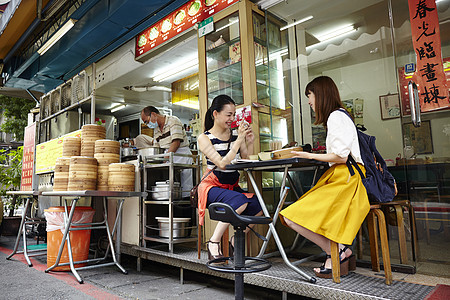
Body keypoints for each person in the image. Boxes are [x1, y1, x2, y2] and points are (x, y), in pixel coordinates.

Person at [279, 76, 369, 279]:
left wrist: (308, 154)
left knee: (290, 216)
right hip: (345, 177)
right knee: (302, 215)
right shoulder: (341, 115)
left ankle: (335, 251)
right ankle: (341, 250)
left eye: (309, 95)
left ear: (320, 94)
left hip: (345, 179)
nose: (309, 101)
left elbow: (340, 156)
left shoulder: (336, 117)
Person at [197, 95, 263, 260]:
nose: (232, 119)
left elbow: (245, 160)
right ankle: (213, 241)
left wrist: (249, 142)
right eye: (228, 115)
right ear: (215, 114)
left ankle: (233, 241)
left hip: (231, 187)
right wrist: (239, 140)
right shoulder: (204, 138)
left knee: (259, 206)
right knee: (240, 201)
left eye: (234, 114)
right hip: (211, 188)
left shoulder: (235, 135)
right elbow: (221, 164)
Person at [138, 106, 193, 198]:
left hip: (181, 156)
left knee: (185, 190)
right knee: (172, 190)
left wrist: (164, 158)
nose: (148, 125)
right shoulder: (156, 130)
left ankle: (186, 208)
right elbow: (156, 146)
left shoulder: (173, 121)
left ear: (153, 114)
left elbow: (176, 143)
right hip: (168, 157)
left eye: (147, 121)